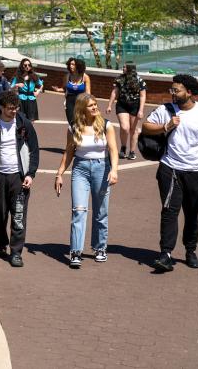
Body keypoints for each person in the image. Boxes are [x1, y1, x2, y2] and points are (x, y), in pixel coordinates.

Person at [141, 74, 198, 273]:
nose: (173, 93)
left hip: (197, 171)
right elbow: (146, 127)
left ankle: (190, 250)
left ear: (190, 92)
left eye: (176, 90)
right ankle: (166, 254)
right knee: (169, 210)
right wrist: (166, 126)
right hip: (171, 169)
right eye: (172, 90)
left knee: (193, 213)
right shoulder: (166, 110)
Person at [54, 94, 119, 268]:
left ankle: (100, 247)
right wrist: (59, 173)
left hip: (102, 168)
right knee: (79, 210)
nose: (95, 108)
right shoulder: (74, 127)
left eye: (95, 104)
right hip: (80, 169)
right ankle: (76, 251)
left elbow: (113, 149)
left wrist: (114, 170)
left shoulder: (106, 125)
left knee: (100, 211)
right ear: (82, 108)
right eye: (91, 105)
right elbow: (68, 152)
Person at [0, 90, 39, 267]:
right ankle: (1, 245)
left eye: (16, 108)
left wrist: (30, 173)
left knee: (18, 215)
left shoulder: (24, 124)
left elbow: (34, 150)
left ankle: (16, 252)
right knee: (0, 214)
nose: (14, 111)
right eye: (10, 109)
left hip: (18, 177)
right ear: (1, 107)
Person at [106, 61, 146, 161]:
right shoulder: (119, 79)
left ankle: (132, 151)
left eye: (124, 67)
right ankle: (123, 147)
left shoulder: (140, 81)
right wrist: (109, 105)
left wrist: (141, 110)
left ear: (130, 68)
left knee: (133, 129)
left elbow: (143, 96)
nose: (123, 68)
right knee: (125, 127)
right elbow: (114, 92)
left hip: (135, 106)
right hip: (122, 105)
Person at [52, 57, 91, 125]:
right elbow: (65, 89)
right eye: (70, 64)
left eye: (73, 64)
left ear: (78, 66)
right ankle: (73, 134)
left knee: (81, 122)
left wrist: (88, 104)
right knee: (71, 122)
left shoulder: (85, 77)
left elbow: (88, 93)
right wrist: (58, 89)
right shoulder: (67, 76)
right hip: (70, 100)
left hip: (81, 100)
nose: (71, 66)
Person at [11, 58, 44, 122]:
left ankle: (29, 131)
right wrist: (16, 85)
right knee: (20, 119)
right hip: (21, 100)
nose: (27, 67)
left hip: (31, 99)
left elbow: (41, 84)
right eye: (25, 65)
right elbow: (10, 88)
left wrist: (38, 91)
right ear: (22, 66)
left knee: (31, 120)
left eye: (29, 65)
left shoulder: (34, 76)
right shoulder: (18, 77)